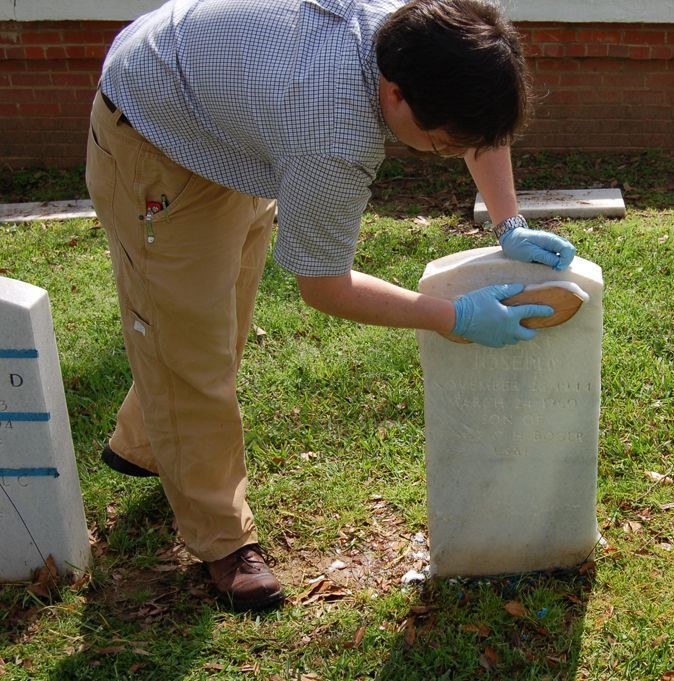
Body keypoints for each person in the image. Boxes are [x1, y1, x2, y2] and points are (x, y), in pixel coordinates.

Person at [85, 0, 575, 612]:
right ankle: (221, 540)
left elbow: (475, 123)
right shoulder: (332, 136)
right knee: (190, 343)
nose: (446, 154)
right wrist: (454, 318)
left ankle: (144, 442)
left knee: (217, 317)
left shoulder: (428, 31)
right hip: (156, 129)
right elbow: (324, 286)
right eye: (439, 145)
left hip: (228, 107)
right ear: (394, 94)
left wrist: (509, 221)